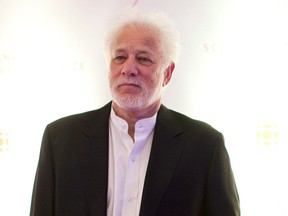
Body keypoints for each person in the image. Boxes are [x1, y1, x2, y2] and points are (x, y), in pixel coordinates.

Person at [30, 7, 240, 216]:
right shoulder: (61, 139)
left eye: (143, 58)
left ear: (167, 73)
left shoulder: (204, 146)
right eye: (120, 57)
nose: (128, 68)